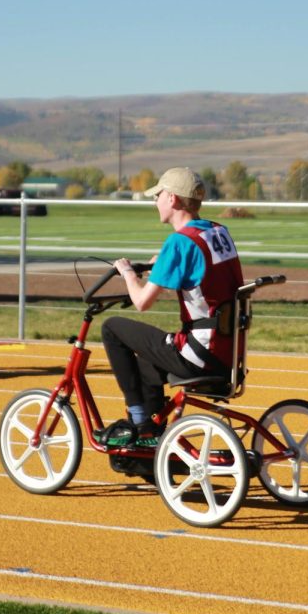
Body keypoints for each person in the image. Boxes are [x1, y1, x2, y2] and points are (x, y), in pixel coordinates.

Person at [100, 166, 243, 447]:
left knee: (111, 328)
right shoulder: (218, 231)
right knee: (145, 364)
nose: (155, 202)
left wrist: (127, 272)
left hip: (200, 353)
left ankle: (139, 421)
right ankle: (150, 433)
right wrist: (162, 265)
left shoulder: (179, 243)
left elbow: (142, 302)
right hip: (229, 350)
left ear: (173, 199)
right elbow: (204, 277)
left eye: (159, 195)